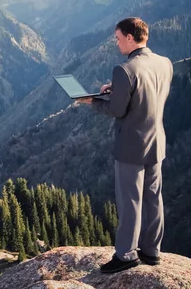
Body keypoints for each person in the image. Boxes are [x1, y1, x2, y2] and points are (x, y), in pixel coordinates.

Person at [77, 17, 173, 274]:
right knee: (153, 197)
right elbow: (149, 95)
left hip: (131, 146)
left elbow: (118, 110)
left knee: (130, 200)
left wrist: (91, 101)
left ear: (131, 37)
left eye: (118, 37)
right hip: (156, 141)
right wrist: (117, 89)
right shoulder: (164, 63)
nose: (116, 42)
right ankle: (151, 252)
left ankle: (127, 255)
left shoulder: (125, 70)